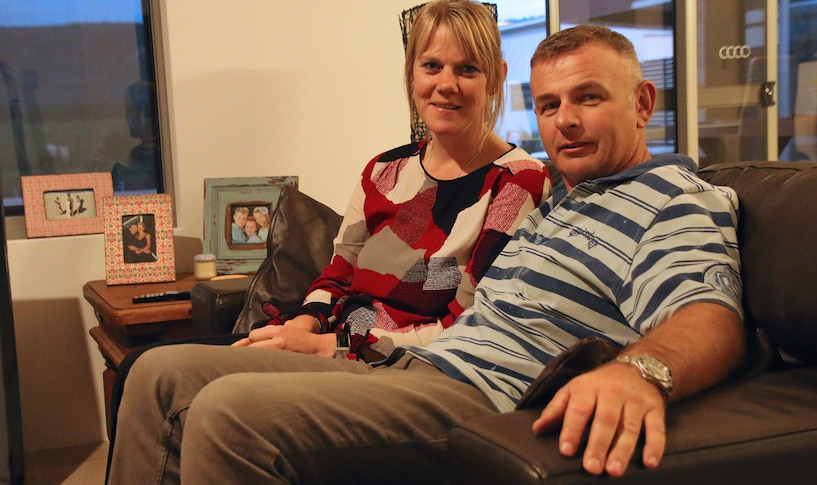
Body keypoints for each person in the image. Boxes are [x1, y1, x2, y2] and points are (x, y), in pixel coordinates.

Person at [107, 1, 549, 482]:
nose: (446, 84)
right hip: (331, 339)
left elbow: (466, 324)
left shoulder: (516, 184)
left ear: (497, 76)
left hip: (399, 365)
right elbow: (340, 268)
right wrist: (301, 325)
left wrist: (332, 347)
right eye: (431, 66)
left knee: (217, 406)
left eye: (467, 69)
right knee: (151, 372)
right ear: (411, 72)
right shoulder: (385, 169)